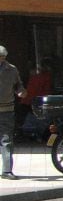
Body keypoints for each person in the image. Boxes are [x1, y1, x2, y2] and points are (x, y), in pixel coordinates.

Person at [0, 45, 27, 178]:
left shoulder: (11, 69)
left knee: (6, 141)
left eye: (3, 57)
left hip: (6, 109)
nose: (1, 59)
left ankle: (6, 171)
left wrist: (21, 91)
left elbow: (18, 85)